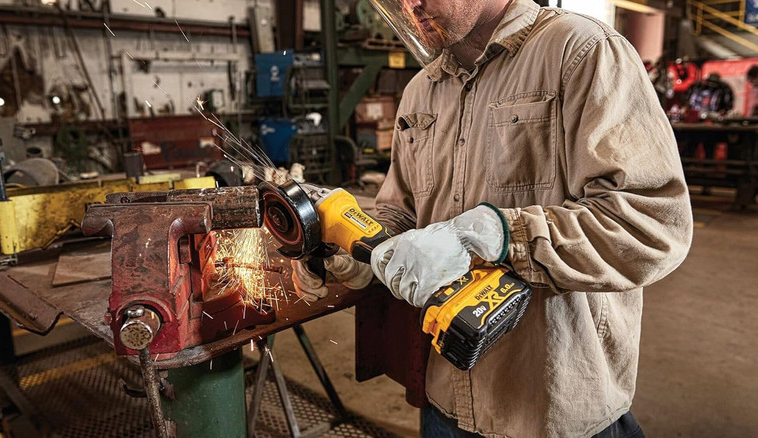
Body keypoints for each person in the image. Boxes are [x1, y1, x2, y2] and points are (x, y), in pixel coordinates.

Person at [292, 0, 693, 437]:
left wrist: (493, 235)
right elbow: (402, 213)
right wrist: (362, 253)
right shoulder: (422, 90)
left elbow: (649, 224)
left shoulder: (580, 52)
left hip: (549, 408)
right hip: (444, 397)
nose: (410, 6)